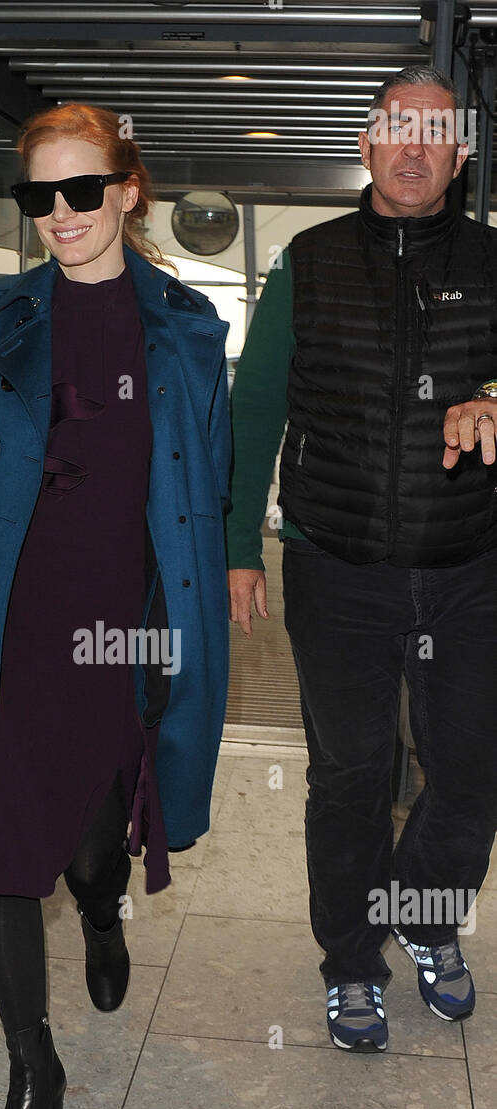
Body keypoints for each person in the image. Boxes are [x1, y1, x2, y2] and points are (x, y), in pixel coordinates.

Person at [0, 102, 232, 1109]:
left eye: (84, 191)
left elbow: (203, 493)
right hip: (3, 624)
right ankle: (32, 1071)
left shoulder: (183, 327)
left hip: (120, 630)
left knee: (87, 831)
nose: (62, 214)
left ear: (128, 191)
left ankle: (100, 900)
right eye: (41, 196)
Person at [227, 64, 497, 1053]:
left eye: (436, 132)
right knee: (350, 774)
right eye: (397, 126)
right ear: (365, 142)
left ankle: (422, 917)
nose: (414, 146)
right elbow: (253, 407)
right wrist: (233, 548)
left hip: (467, 564)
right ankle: (349, 962)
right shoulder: (306, 259)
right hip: (334, 565)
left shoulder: (489, 258)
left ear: (461, 154)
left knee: (469, 769)